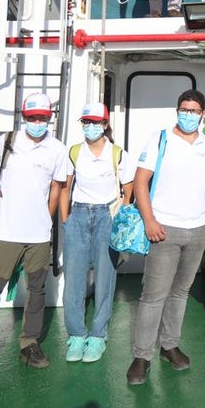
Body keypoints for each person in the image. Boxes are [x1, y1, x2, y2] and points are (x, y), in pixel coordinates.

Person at [0, 93, 70, 383]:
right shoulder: (8, 140)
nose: (37, 122)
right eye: (32, 117)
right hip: (5, 231)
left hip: (37, 235)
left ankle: (29, 343)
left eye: (43, 117)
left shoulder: (57, 149)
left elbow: (56, 187)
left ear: (50, 118)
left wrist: (46, 220)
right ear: (24, 117)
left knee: (36, 291)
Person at [127, 89, 205, 385]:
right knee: (153, 296)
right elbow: (141, 181)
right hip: (164, 229)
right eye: (184, 109)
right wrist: (149, 220)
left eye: (194, 111)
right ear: (176, 110)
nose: (189, 115)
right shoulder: (160, 139)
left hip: (196, 230)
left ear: (203, 114)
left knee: (181, 293)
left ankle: (169, 345)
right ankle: (141, 356)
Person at [61, 102, 135, 364]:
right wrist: (65, 219)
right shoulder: (74, 152)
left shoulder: (118, 154)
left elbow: (128, 188)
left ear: (105, 125)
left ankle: (98, 336)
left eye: (96, 122)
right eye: (86, 122)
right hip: (78, 215)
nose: (91, 127)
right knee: (74, 279)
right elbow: (65, 187)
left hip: (107, 216)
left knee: (105, 278)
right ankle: (76, 334)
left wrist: (120, 218)